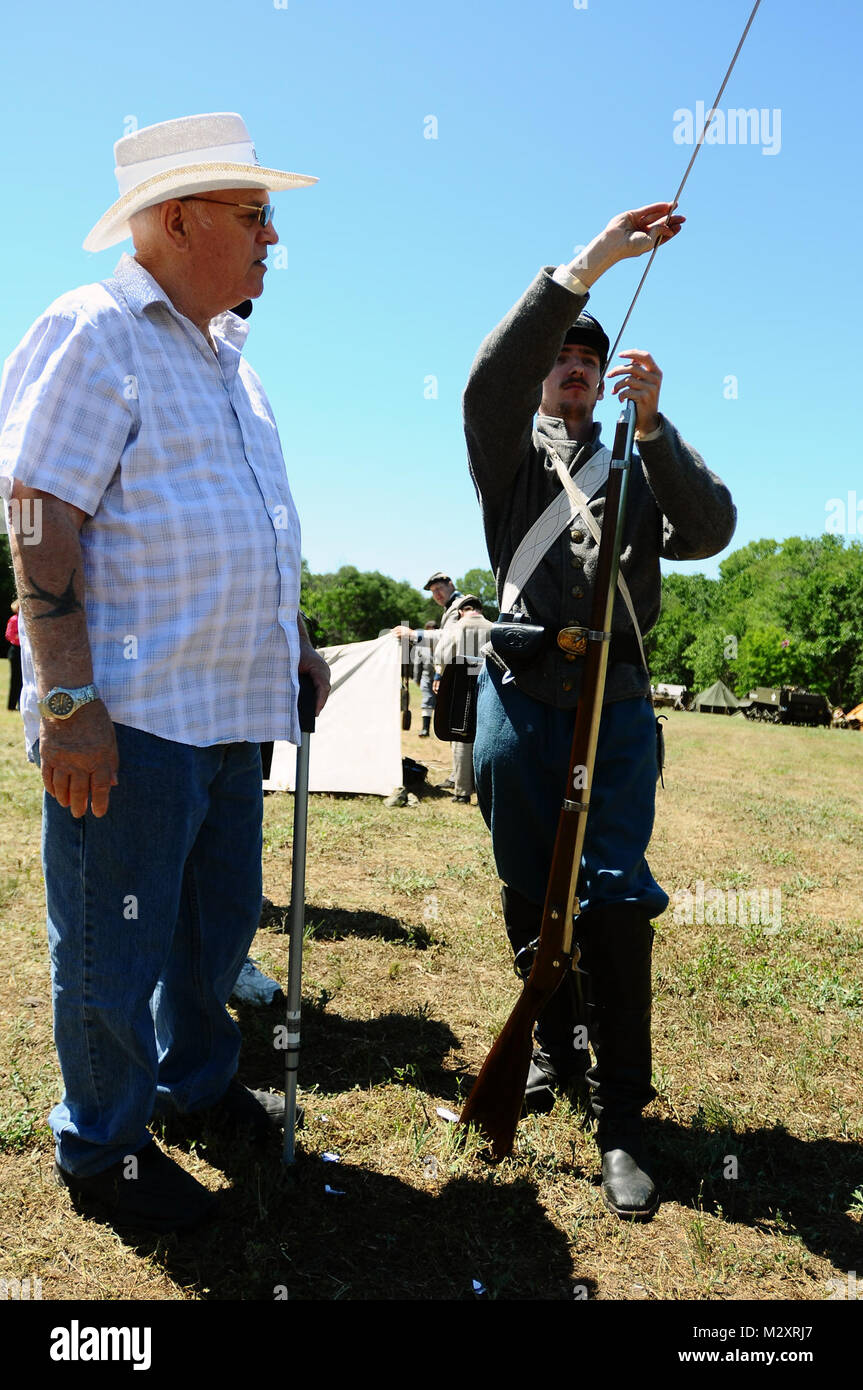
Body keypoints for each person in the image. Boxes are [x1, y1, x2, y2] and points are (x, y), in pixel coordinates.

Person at [0, 112, 330, 1232]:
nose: (272, 237)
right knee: (110, 941)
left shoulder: (235, 362)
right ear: (178, 219)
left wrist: (289, 633)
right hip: (130, 716)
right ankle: (105, 1146)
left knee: (212, 928)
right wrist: (68, 699)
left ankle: (197, 1086)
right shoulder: (94, 328)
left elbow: (255, 523)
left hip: (230, 708)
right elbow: (39, 516)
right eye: (254, 214)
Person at [463, 203, 736, 1219]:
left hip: (614, 704)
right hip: (519, 699)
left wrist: (657, 428)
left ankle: (621, 1115)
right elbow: (483, 382)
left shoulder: (634, 463)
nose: (573, 363)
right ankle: (547, 1038)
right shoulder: (508, 458)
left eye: (589, 354)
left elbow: (708, 527)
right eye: (559, 354)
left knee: (615, 896)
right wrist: (585, 268)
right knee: (527, 882)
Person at [433, 594, 493, 803]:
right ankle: (484, 789)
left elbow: (442, 654)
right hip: (488, 685)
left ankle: (462, 791)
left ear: (460, 611)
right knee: (484, 736)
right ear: (480, 609)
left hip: (461, 685)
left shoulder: (457, 627)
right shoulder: (493, 627)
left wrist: (440, 674)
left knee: (461, 737)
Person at [5, 599, 22, 710]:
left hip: (24, 650)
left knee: (24, 680)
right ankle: (11, 705)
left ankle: (21, 705)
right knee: (15, 679)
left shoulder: (27, 620)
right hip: (16, 651)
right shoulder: (14, 619)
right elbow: (9, 635)